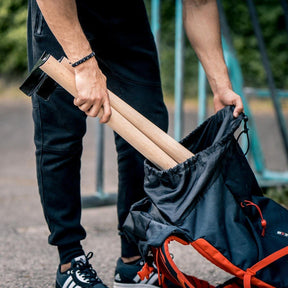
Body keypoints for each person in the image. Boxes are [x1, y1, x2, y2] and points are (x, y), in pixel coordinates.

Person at [26, 0, 244, 287]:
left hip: (125, 17)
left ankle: (133, 261)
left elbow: (200, 2)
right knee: (59, 138)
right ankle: (70, 262)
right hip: (59, 14)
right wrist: (83, 63)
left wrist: (221, 86)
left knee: (149, 128)